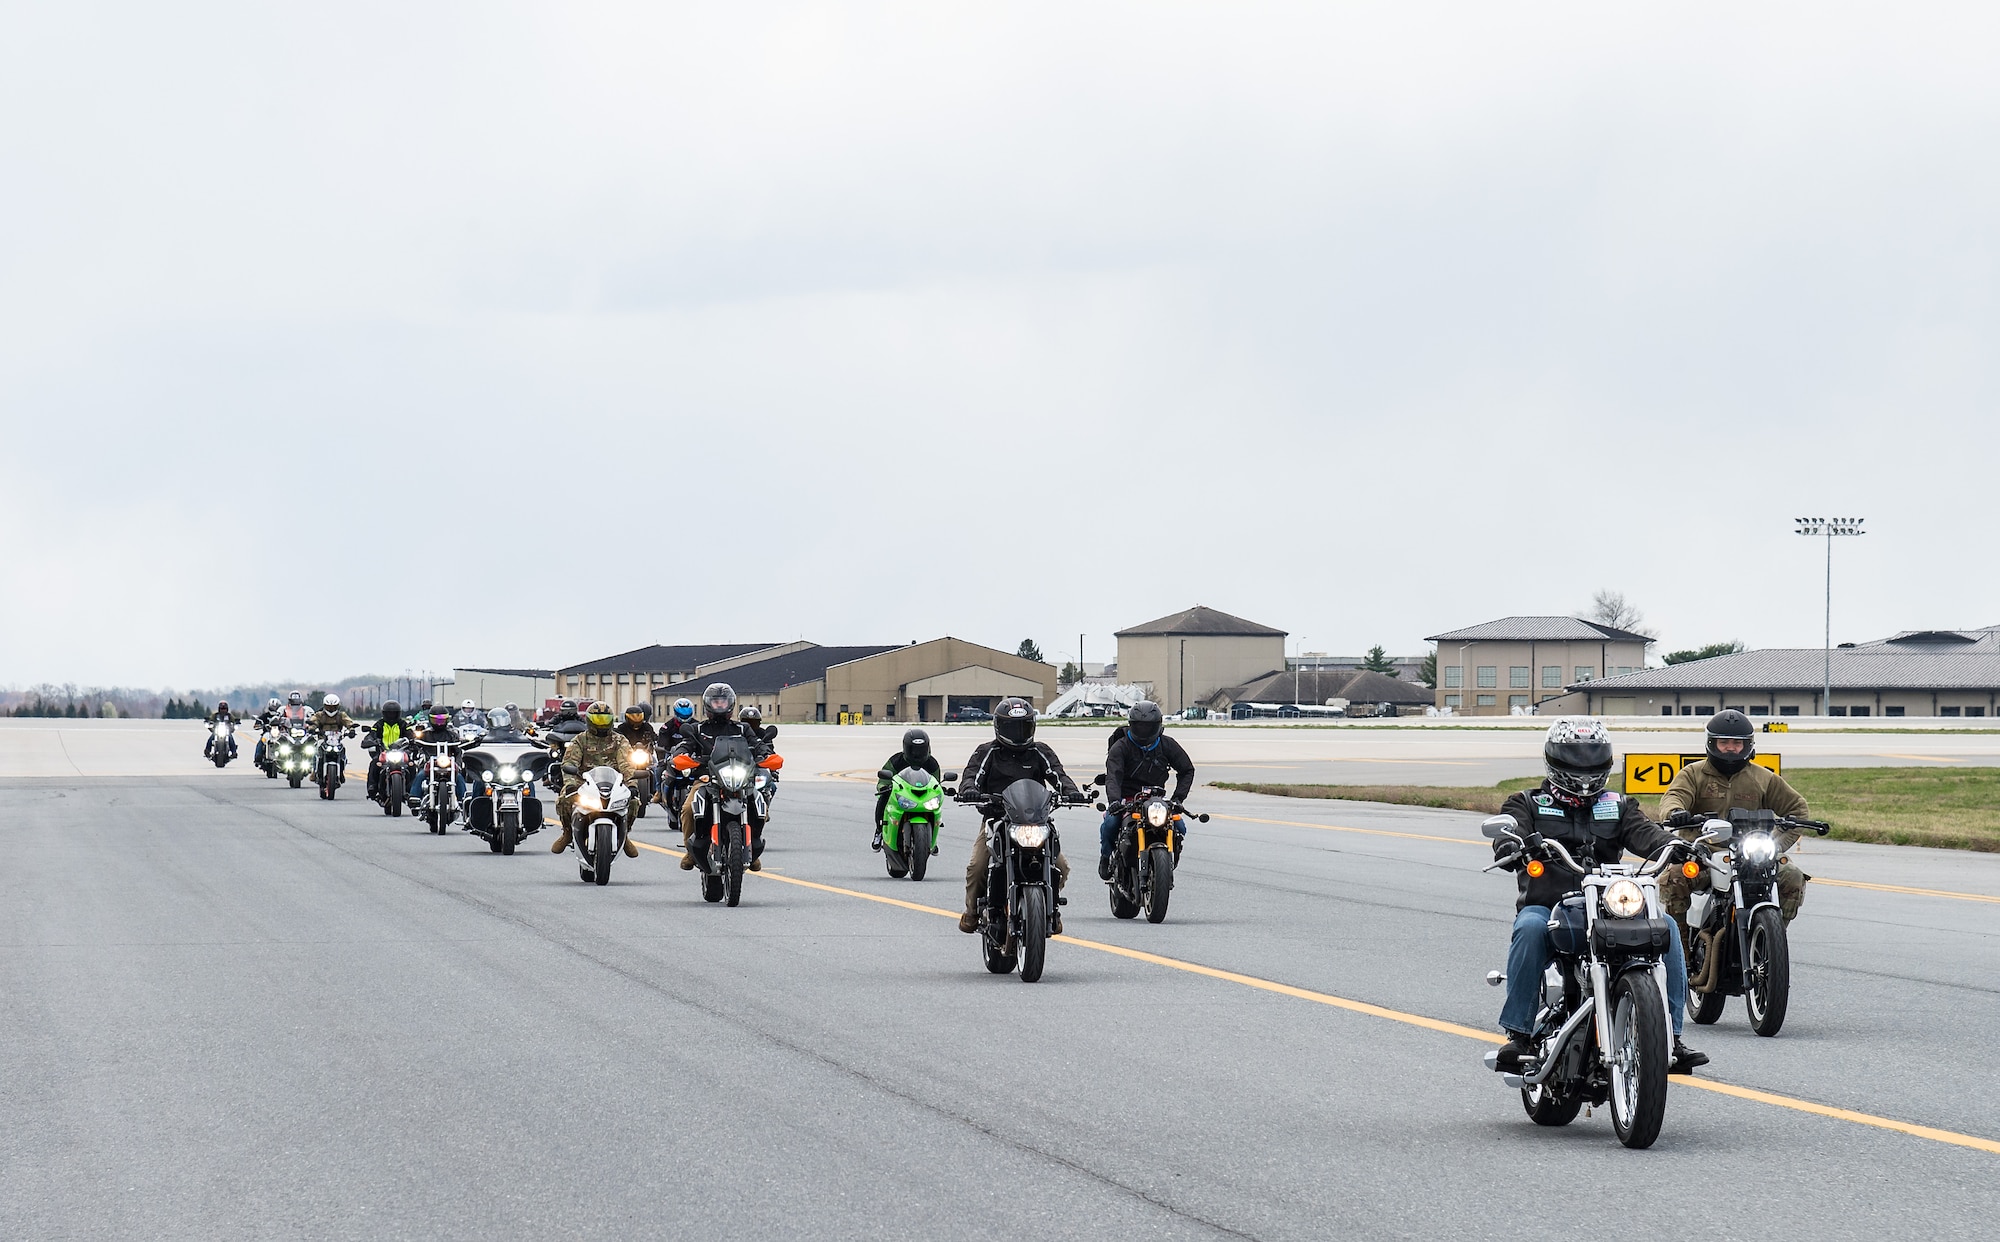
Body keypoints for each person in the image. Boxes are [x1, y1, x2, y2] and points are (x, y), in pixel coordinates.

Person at [1490, 718, 1707, 1075]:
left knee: (1666, 927)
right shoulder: (1527, 802)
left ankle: (1672, 1037)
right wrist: (1513, 845)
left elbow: (1647, 834)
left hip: (1611, 907)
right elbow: (1508, 831)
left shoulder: (1618, 805)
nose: (1585, 767)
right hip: (1549, 905)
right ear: (1555, 760)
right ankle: (1520, 1035)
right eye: (1576, 758)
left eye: (1593, 758)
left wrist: (1677, 847)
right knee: (1529, 929)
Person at [1658, 709, 1812, 929]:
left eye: (1737, 743)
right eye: (1724, 742)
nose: (1731, 748)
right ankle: (1680, 947)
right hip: (1704, 854)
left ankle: (1772, 938)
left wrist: (1775, 845)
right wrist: (1675, 813)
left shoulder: (1763, 778)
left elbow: (1797, 808)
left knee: (1793, 876)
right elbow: (1674, 797)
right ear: (1712, 743)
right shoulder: (1693, 774)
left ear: (1748, 745)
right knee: (1674, 876)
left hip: (1752, 854)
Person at [955, 697, 1080, 935]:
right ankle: (971, 912)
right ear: (1000, 727)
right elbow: (971, 776)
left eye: (1024, 726)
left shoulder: (1040, 751)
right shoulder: (987, 752)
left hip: (1035, 820)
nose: (1019, 732)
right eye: (1013, 727)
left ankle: (1050, 907)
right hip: (998, 820)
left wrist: (1071, 792)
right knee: (977, 867)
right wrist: (969, 790)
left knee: (1061, 866)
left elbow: (1058, 775)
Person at [673, 683, 773, 870]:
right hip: (706, 779)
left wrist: (767, 755)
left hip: (740, 780)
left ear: (731, 704)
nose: (719, 705)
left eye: (723, 702)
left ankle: (751, 847)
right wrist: (681, 756)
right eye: (716, 702)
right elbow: (685, 746)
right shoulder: (697, 730)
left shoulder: (742, 729)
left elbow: (758, 745)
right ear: (707, 704)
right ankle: (689, 850)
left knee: (761, 807)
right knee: (687, 809)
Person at [1099, 700, 1194, 879]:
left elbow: (1187, 769)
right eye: (1139, 726)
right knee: (1110, 824)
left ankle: (1169, 859)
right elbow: (1113, 776)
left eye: (1148, 727)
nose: (1143, 730)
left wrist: (1178, 799)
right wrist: (1114, 801)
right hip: (1127, 798)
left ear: (1158, 726)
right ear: (1131, 725)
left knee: (1180, 826)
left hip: (1157, 799)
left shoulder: (1167, 744)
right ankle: (1105, 857)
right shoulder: (1121, 746)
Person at [552, 701, 640, 857]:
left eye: (605, 720)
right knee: (564, 799)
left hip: (614, 783)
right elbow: (570, 762)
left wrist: (631, 784)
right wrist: (571, 784)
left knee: (633, 802)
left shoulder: (620, 740)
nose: (602, 724)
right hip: (584, 782)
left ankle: (625, 834)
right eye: (598, 720)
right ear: (589, 720)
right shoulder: (580, 740)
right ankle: (567, 833)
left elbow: (626, 764)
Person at [873, 727, 941, 850]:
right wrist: (883, 786)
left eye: (920, 750)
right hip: (902, 793)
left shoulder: (932, 763)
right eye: (913, 750)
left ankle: (932, 838)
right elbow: (884, 776)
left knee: (936, 806)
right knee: (883, 798)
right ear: (906, 748)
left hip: (923, 795)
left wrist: (940, 790)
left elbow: (936, 783)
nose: (917, 753)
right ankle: (879, 830)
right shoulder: (896, 761)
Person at [408, 705, 471, 808]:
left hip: (448, 764)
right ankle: (415, 798)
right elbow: (415, 745)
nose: (439, 723)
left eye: (441, 720)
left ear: (446, 719)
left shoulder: (452, 734)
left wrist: (458, 764)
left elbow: (458, 749)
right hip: (429, 763)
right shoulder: (425, 734)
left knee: (459, 777)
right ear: (430, 719)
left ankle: (464, 800)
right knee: (420, 776)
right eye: (436, 720)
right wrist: (413, 742)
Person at [361, 701, 412, 800]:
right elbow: (371, 734)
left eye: (394, 713)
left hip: (401, 752)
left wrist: (413, 741)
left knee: (411, 765)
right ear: (384, 713)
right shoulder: (379, 724)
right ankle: (372, 787)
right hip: (384, 752)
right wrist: (369, 740)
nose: (391, 715)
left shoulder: (403, 724)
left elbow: (411, 734)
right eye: (389, 713)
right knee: (375, 763)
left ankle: (412, 789)